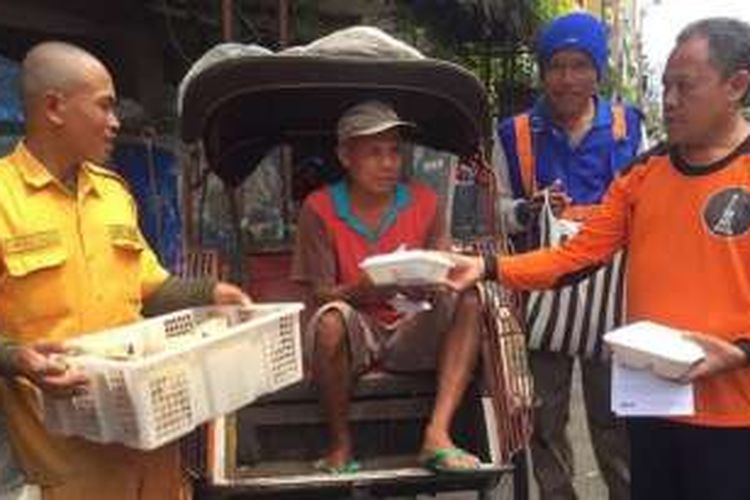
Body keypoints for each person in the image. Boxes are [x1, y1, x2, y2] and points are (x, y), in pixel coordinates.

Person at [447, 17, 750, 500]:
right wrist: (489, 268)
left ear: (736, 86)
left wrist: (740, 352)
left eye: (685, 87)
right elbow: (578, 256)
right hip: (656, 405)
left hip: (737, 417)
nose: (669, 101)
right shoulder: (644, 174)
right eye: (666, 86)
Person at [0, 41, 251, 500]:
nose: (116, 123)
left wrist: (212, 293)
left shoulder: (114, 194)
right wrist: (18, 359)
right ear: (54, 107)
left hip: (145, 437)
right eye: (105, 107)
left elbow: (150, 288)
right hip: (63, 460)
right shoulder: (3, 199)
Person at [494, 11, 643, 500]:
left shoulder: (628, 127)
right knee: (543, 417)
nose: (567, 78)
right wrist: (525, 208)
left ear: (597, 70)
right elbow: (494, 211)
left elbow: (651, 202)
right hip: (542, 297)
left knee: (614, 417)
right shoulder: (514, 133)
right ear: (542, 70)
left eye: (580, 65)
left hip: (613, 299)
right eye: (556, 65)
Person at [292, 100, 483, 473]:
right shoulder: (318, 209)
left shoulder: (426, 202)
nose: (388, 163)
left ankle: (438, 435)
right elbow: (319, 295)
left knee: (471, 298)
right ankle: (340, 444)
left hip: (414, 325)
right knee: (330, 321)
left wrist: (430, 282)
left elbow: (446, 273)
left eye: (395, 151)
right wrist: (359, 291)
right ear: (346, 156)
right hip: (357, 329)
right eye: (374, 153)